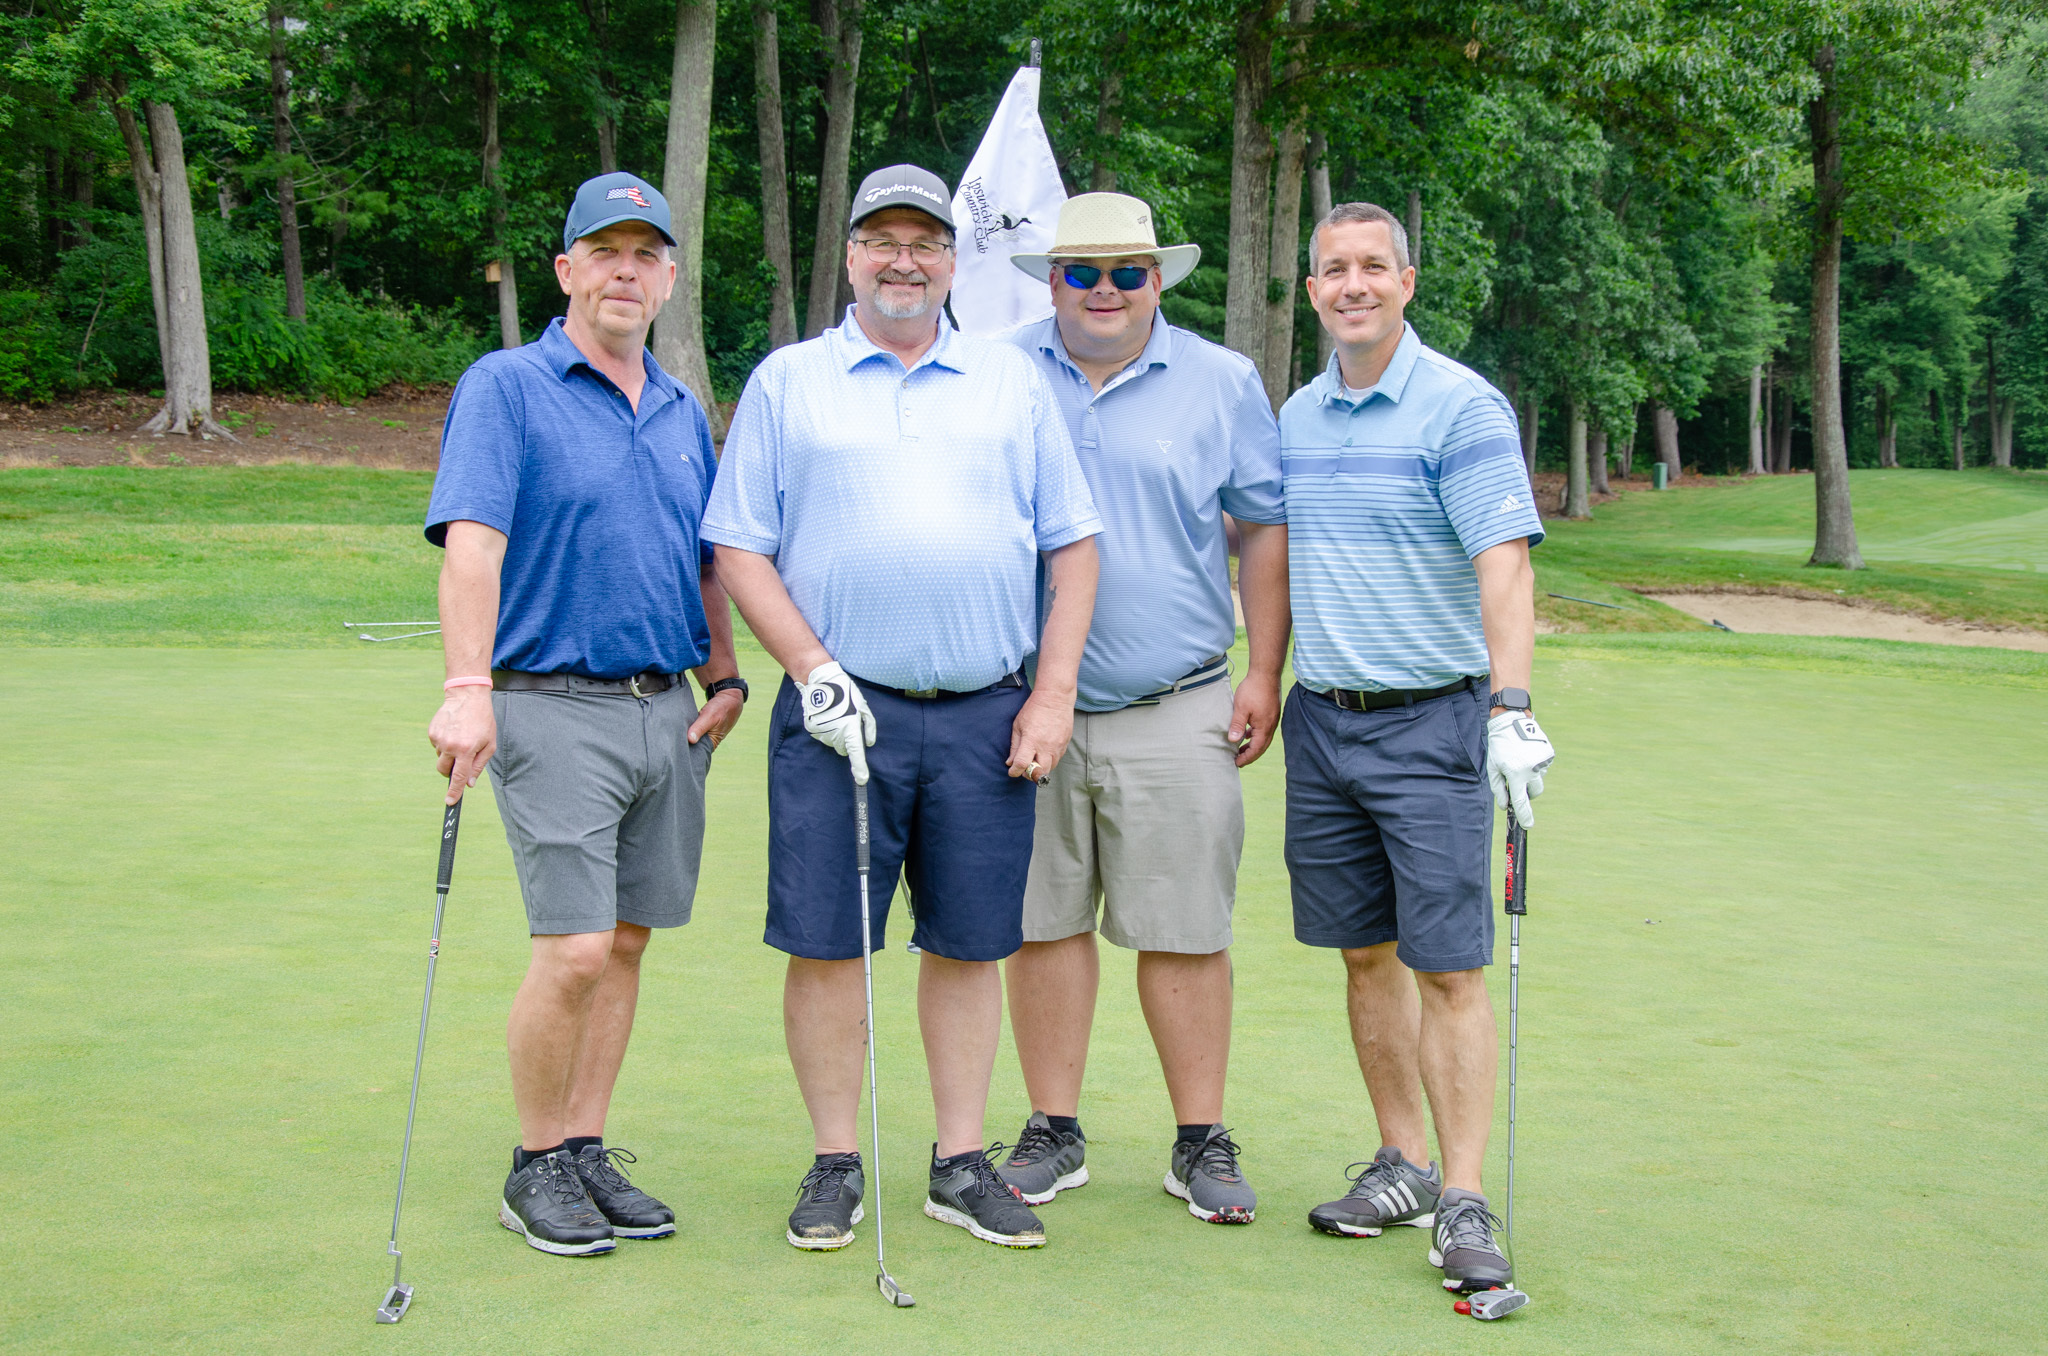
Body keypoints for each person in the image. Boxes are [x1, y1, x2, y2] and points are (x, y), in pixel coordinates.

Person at [703, 164, 1102, 1252]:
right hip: (839, 713)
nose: (903, 261)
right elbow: (738, 544)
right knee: (828, 944)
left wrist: (1052, 695)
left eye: (924, 242)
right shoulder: (791, 381)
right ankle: (836, 1160)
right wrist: (810, 666)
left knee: (968, 946)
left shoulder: (1010, 380)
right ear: (849, 257)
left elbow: (1072, 547)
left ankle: (960, 1162)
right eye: (881, 240)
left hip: (986, 712)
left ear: (952, 261)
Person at [424, 171, 747, 1257]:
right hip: (549, 703)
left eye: (645, 255)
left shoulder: (682, 409)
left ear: (669, 279)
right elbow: (473, 547)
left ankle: (583, 1146)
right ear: (566, 270)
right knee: (574, 950)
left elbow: (702, 562)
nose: (625, 272)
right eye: (604, 252)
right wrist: (465, 688)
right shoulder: (507, 387)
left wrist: (725, 678)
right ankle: (535, 1164)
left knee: (627, 946)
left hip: (667, 710)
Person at [990, 192, 1288, 1225]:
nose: (1105, 290)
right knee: (1040, 924)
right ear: (1052, 281)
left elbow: (1261, 527)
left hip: (1177, 699)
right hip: (1024, 705)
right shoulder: (997, 371)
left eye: (1127, 272)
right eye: (1083, 272)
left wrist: (1263, 670)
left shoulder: (1221, 380)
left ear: (1158, 279)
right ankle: (1052, 1129)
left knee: (1186, 931)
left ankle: (1199, 1139)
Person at [1278, 202, 1556, 1293]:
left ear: (1406, 281)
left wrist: (1509, 706)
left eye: (1372, 267)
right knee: (1363, 956)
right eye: (1333, 269)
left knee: (1446, 967)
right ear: (1312, 290)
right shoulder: (1297, 416)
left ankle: (1464, 1193)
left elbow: (1505, 563)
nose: (1352, 284)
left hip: (1433, 722)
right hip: (1321, 721)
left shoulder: (1460, 405)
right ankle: (1401, 1161)